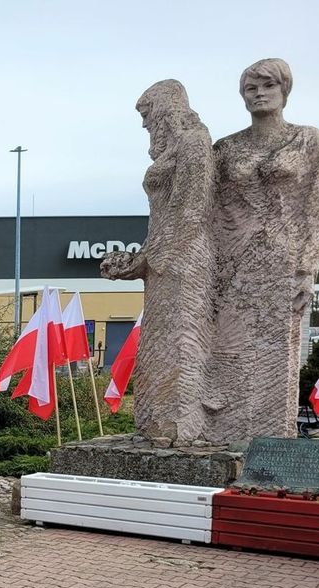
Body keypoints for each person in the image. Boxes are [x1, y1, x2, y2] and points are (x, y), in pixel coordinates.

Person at [207, 58, 319, 441]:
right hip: (231, 262)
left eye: (267, 86)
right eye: (251, 89)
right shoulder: (225, 148)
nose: (259, 94)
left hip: (282, 261)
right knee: (228, 347)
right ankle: (222, 434)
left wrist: (308, 265)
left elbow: (316, 207)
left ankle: (268, 441)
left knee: (276, 356)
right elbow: (204, 208)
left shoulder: (309, 141)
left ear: (284, 91)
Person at [100, 80, 213, 443]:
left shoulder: (194, 143)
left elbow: (191, 210)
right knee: (158, 341)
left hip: (184, 257)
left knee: (181, 339)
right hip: (165, 255)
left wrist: (155, 257)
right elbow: (164, 216)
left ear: (166, 108)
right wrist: (138, 261)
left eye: (147, 114)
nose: (145, 125)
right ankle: (155, 423)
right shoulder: (175, 148)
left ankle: (179, 426)